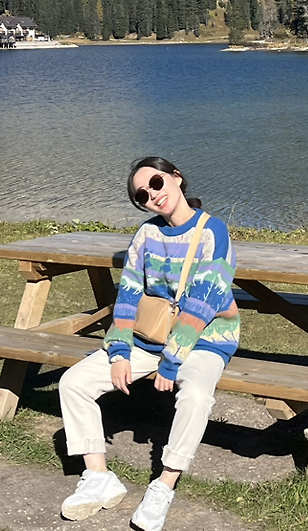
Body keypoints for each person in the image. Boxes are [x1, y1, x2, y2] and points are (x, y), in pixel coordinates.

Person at [58, 157, 240, 531]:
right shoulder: (146, 234)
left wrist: (171, 362)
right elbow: (128, 294)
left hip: (204, 339)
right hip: (149, 338)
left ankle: (164, 484)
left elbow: (203, 303)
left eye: (156, 183)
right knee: (73, 382)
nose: (152, 195)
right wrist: (119, 352)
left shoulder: (212, 231)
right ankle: (98, 477)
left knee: (195, 396)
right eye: (142, 195)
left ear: (176, 177)